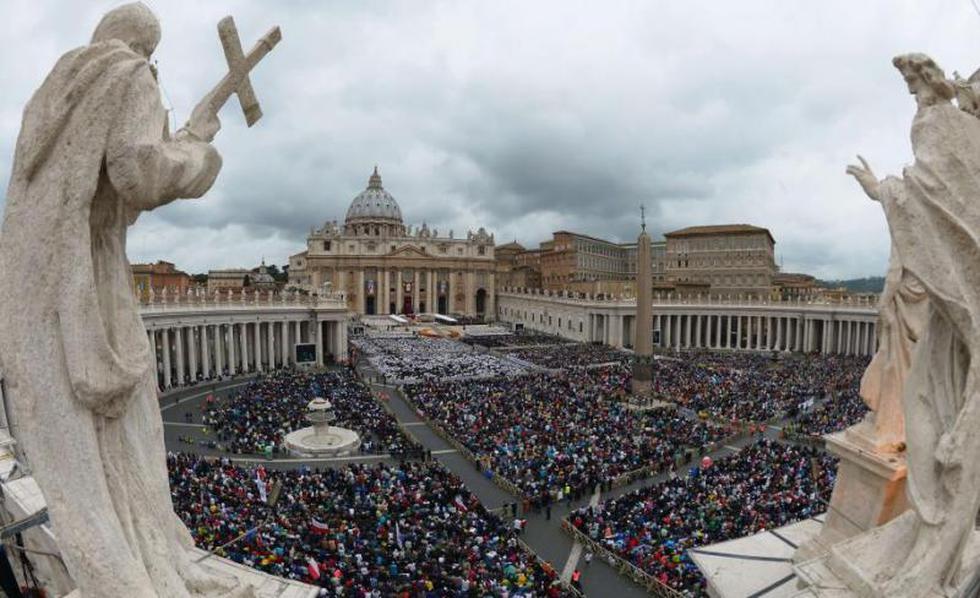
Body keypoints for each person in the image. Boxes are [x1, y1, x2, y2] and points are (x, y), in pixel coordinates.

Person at [0, 4, 241, 597]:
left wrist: (175, 131)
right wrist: (199, 146)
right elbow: (138, 174)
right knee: (133, 438)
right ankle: (143, 569)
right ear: (146, 49)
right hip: (94, 280)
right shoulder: (128, 75)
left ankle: (126, 563)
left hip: (40, 284)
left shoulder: (51, 95)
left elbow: (105, 184)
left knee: (88, 461)